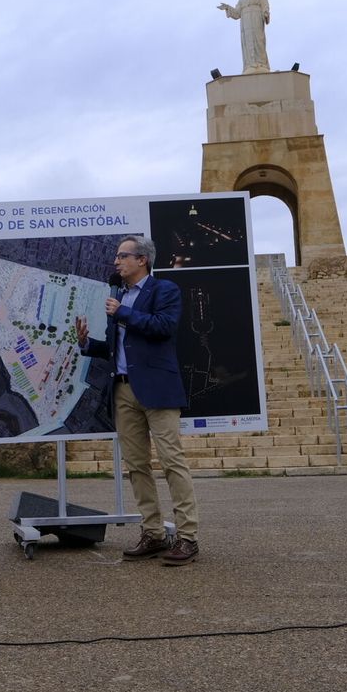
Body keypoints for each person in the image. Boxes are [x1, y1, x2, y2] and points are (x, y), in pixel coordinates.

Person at [76, 234, 201, 566]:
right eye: (117, 257)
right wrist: (88, 345)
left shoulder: (164, 291)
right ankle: (154, 533)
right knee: (136, 466)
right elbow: (119, 348)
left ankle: (187, 538)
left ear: (141, 260)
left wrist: (123, 314)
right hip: (123, 390)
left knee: (172, 462)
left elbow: (164, 327)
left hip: (158, 389)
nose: (116, 261)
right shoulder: (117, 296)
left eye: (122, 256)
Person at [216, 0, 271, 74]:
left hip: (256, 18)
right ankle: (250, 64)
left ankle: (261, 63)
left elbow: (265, 6)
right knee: (247, 41)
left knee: (259, 40)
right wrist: (227, 7)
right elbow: (237, 13)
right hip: (245, 22)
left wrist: (265, 13)